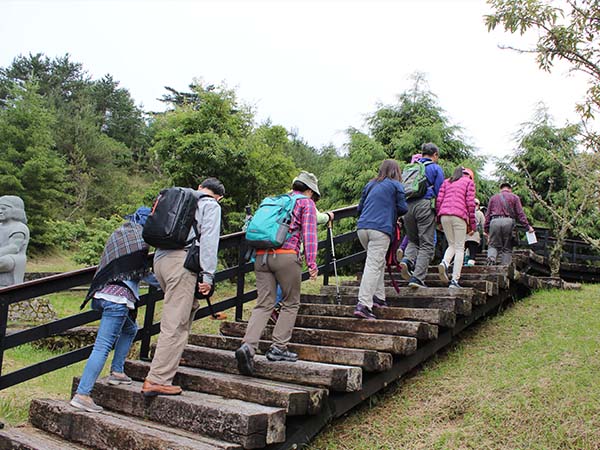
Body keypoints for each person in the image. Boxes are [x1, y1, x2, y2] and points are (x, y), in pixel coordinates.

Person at [70, 207, 159, 413]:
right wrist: (167, 284)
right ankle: (82, 394)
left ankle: (117, 372)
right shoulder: (140, 240)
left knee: (130, 329)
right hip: (117, 299)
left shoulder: (120, 233)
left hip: (101, 293)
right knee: (101, 347)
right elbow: (142, 272)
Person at [141, 177, 224, 396]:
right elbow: (209, 241)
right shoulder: (211, 205)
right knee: (175, 323)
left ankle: (171, 359)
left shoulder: (182, 196)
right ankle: (157, 379)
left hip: (160, 260)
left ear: (200, 187)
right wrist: (208, 276)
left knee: (187, 309)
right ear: (220, 197)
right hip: (181, 262)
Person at [235, 171, 320, 375]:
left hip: (261, 256)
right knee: (291, 302)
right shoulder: (305, 203)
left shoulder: (276, 201)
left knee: (264, 303)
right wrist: (312, 263)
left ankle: (248, 346)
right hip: (285, 256)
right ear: (309, 190)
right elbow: (309, 233)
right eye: (314, 195)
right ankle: (278, 348)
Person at [353, 160, 408, 319]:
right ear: (396, 171)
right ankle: (363, 304)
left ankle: (379, 297)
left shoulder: (370, 184)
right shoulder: (396, 185)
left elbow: (359, 208)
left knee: (378, 263)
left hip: (363, 228)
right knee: (373, 265)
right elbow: (403, 208)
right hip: (381, 229)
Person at [269, 208, 333, 325]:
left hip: (273, 246)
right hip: (290, 248)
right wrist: (328, 216)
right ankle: (273, 306)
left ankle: (269, 307)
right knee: (285, 280)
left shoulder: (283, 203)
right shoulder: (305, 202)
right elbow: (316, 218)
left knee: (276, 279)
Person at [399, 143, 445, 288]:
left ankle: (407, 261)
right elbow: (440, 192)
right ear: (435, 154)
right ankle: (417, 279)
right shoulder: (435, 168)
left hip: (408, 206)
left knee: (413, 239)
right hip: (424, 205)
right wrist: (439, 214)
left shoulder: (410, 168)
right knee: (426, 244)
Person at [436, 167, 477, 288]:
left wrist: (438, 219)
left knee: (452, 244)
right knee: (460, 248)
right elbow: (470, 204)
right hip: (459, 216)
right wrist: (473, 225)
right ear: (469, 176)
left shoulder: (447, 181)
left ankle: (445, 262)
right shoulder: (469, 182)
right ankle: (454, 280)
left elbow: (439, 200)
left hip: (444, 215)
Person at [484, 182, 534, 265]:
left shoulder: (493, 198)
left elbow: (488, 214)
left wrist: (486, 230)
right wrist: (527, 227)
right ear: (510, 189)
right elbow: (520, 214)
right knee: (507, 247)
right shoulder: (515, 197)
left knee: (493, 245)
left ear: (500, 189)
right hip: (508, 221)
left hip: (494, 221)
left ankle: (491, 259)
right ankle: (505, 266)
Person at [0, 195, 29, 288]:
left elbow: (14, 248)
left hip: (13, 258)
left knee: (2, 261)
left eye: (3, 208)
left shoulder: (19, 227)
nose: (0, 211)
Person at [464, 198, 486, 265]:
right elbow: (483, 225)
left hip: (464, 237)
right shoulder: (479, 213)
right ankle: (470, 266)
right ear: (478, 205)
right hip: (474, 237)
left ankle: (464, 262)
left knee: (466, 251)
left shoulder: (465, 212)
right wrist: (483, 234)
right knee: (473, 253)